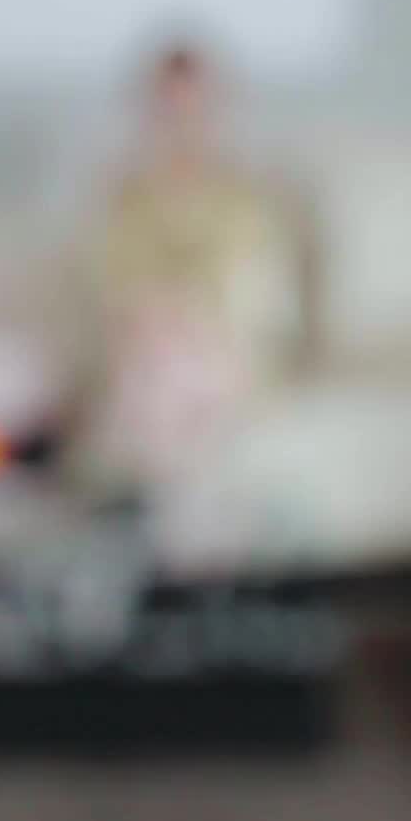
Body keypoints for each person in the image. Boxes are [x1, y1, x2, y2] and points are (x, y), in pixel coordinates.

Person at [70, 42, 306, 514]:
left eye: (194, 107)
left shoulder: (247, 195)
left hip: (222, 354)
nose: (182, 122)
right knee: (156, 383)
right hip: (147, 355)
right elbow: (112, 288)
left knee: (173, 390)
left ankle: (170, 515)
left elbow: (262, 295)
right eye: (169, 108)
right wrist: (152, 320)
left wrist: (198, 325)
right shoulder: (125, 196)